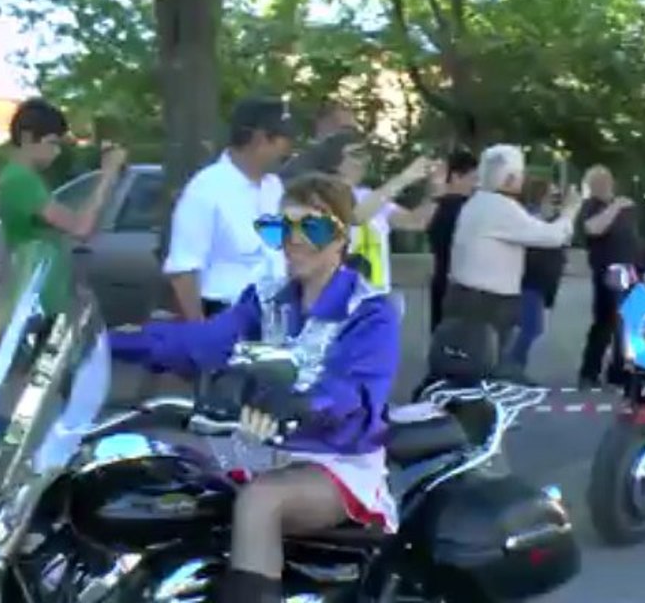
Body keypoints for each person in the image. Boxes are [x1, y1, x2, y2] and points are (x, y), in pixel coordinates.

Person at [110, 173, 399, 602]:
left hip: (335, 459)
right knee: (152, 468)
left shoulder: (369, 311)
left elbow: (354, 394)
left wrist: (301, 403)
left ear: (342, 240)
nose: (293, 240)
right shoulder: (266, 300)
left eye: (313, 227)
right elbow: (203, 342)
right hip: (257, 449)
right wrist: (102, 343)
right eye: (282, 227)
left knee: (261, 502)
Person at [164, 98, 296, 320]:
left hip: (273, 316)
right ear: (260, 139)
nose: (289, 151)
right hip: (225, 315)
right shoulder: (207, 189)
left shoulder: (273, 187)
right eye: (285, 141)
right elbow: (183, 270)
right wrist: (203, 334)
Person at [446, 145, 581, 355]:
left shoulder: (477, 202)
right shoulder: (501, 207)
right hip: (488, 301)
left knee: (463, 357)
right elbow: (553, 237)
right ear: (509, 178)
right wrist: (570, 211)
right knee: (483, 360)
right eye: (520, 175)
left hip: (465, 294)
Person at [0, 98, 129, 305]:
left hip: (41, 292)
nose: (57, 152)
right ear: (28, 138)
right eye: (52, 143)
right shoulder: (20, 180)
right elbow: (80, 228)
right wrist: (108, 174)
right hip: (36, 298)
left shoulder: (22, 178)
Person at [289, 124, 442, 291]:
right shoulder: (320, 194)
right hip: (336, 298)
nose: (365, 160)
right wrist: (405, 177)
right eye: (356, 154)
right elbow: (355, 216)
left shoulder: (370, 196)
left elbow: (415, 222)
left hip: (374, 300)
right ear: (336, 161)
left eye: (365, 154)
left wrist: (435, 192)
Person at [577, 165, 639, 390]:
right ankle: (589, 372)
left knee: (624, 323)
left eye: (606, 180)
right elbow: (593, 228)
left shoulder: (625, 208)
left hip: (627, 269)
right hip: (607, 271)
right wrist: (615, 206)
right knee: (605, 322)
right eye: (598, 182)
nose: (604, 185)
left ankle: (619, 370)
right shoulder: (591, 206)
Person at [509, 176, 568, 369]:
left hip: (538, 282)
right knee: (531, 327)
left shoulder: (544, 218)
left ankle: (513, 365)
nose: (555, 200)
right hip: (528, 281)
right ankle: (512, 366)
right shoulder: (530, 218)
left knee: (529, 327)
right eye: (552, 196)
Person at [427, 150, 479, 330]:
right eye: (472, 178)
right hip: (462, 283)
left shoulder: (435, 207)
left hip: (442, 277)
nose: (475, 184)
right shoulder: (465, 209)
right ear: (456, 177)